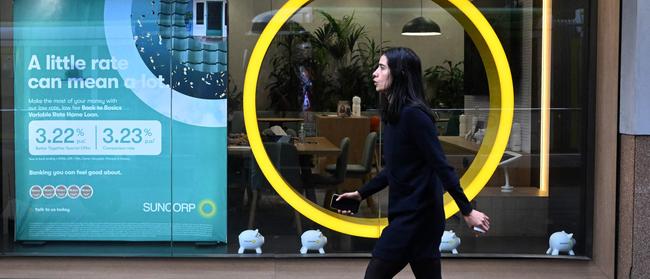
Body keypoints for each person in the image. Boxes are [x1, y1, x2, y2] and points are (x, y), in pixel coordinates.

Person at [336, 47, 490, 279]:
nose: (374, 73)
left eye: (382, 67)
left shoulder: (414, 115)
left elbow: (441, 165)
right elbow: (395, 170)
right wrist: (361, 193)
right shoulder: (394, 116)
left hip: (417, 219)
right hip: (407, 214)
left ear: (400, 74)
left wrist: (467, 211)